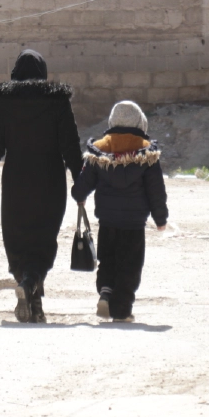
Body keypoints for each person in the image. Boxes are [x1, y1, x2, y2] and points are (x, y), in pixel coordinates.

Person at [0, 49, 83, 324]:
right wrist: (81, 184)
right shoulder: (57, 101)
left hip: (16, 183)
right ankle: (32, 288)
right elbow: (70, 145)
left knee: (18, 240)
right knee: (43, 240)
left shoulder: (4, 103)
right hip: (50, 183)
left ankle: (29, 292)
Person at [72, 100, 168, 323]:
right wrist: (160, 218)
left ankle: (106, 292)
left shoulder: (100, 150)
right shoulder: (147, 152)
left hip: (107, 221)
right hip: (134, 223)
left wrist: (79, 195)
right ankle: (122, 310)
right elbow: (156, 190)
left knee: (108, 260)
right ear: (140, 122)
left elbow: (81, 187)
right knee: (130, 265)